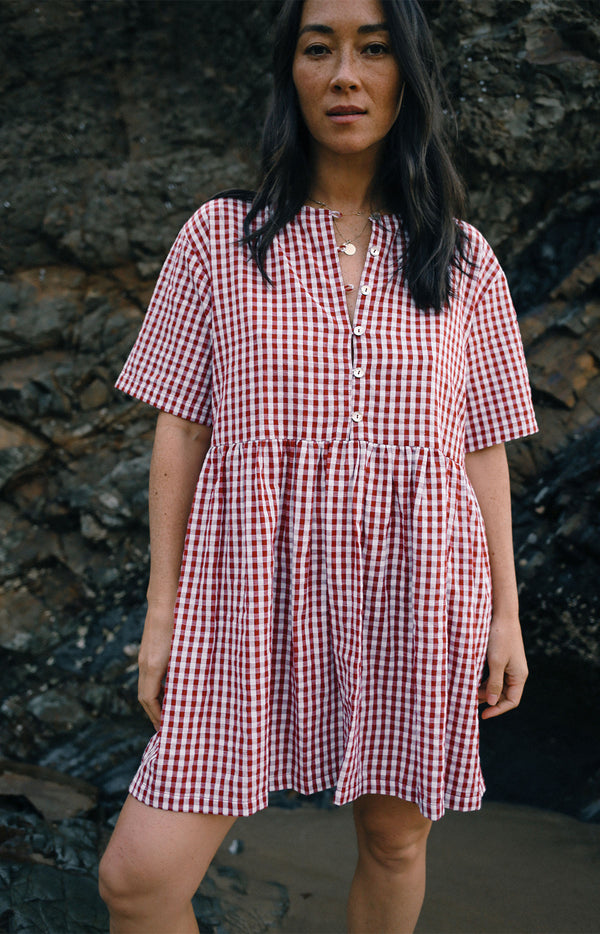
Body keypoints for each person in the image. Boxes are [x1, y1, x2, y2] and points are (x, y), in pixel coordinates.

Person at [99, 1, 538, 931]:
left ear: (408, 74)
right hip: (244, 595)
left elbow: (481, 443)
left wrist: (506, 613)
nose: (345, 74)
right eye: (319, 47)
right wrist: (162, 611)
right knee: (138, 883)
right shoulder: (220, 239)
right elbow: (179, 429)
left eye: (374, 49)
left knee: (393, 842)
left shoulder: (465, 261)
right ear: (289, 72)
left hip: (414, 589)